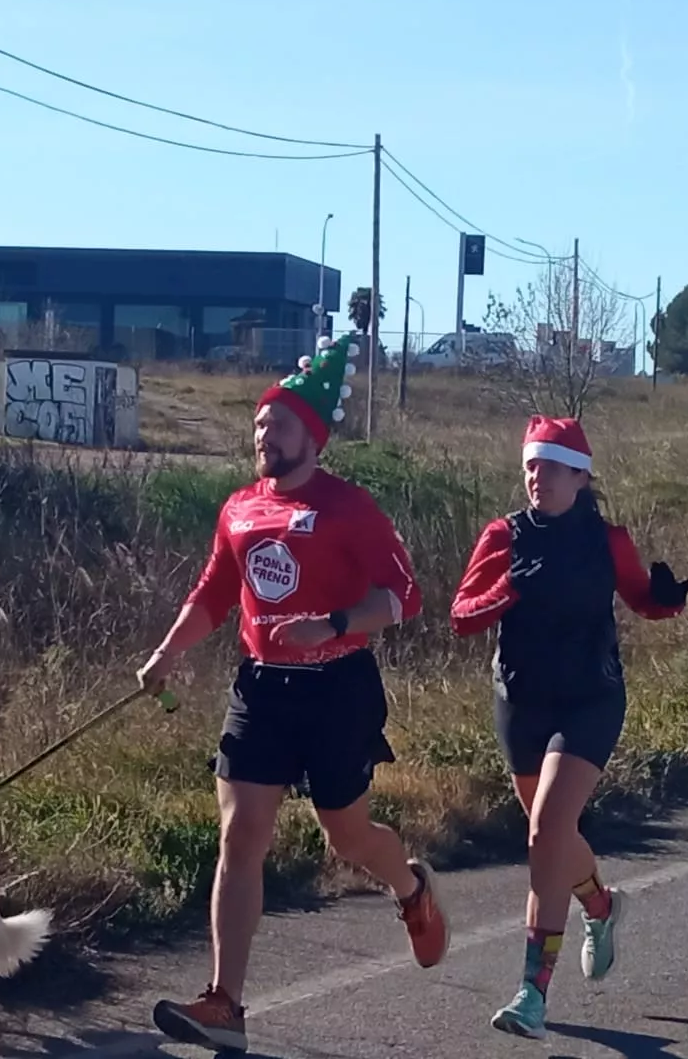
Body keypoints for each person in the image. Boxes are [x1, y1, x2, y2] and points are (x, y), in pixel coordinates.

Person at [138, 333, 450, 1054]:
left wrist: (332, 624)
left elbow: (404, 596)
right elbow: (212, 595)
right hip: (261, 690)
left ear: (311, 436)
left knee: (347, 836)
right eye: (258, 424)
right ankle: (225, 1004)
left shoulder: (349, 507)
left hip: (337, 688)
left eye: (277, 424)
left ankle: (410, 889)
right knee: (240, 835)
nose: (262, 435)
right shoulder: (240, 509)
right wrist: (166, 653)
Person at [449, 416, 688, 1040]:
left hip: (590, 699)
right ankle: (601, 906)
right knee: (552, 836)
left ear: (580, 477)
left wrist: (667, 598)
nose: (537, 478)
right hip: (522, 702)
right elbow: (462, 615)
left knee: (546, 830)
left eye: (551, 468)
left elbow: (641, 598)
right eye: (531, 467)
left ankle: (531, 993)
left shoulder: (607, 540)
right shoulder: (503, 535)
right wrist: (505, 590)